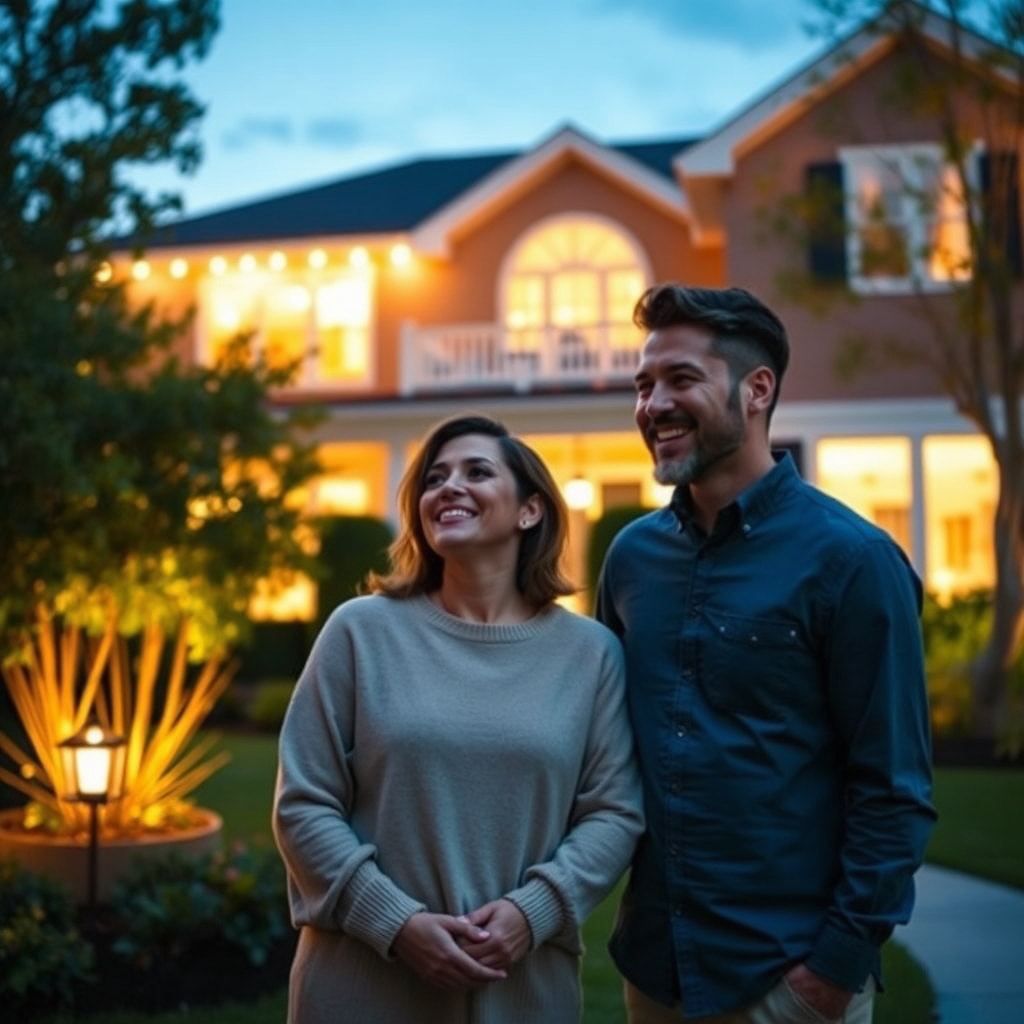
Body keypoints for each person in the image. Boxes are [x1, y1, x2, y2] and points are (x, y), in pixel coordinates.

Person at [596, 284, 937, 1023]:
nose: (653, 405)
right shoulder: (631, 560)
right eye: (644, 385)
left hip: (784, 982)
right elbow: (604, 752)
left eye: (681, 379)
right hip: (652, 971)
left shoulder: (853, 561)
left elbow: (894, 788)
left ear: (757, 390)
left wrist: (830, 975)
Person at [273, 413, 644, 1024]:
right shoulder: (360, 632)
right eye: (434, 478)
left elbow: (615, 812)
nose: (448, 487)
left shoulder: (591, 654)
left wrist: (533, 913)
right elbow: (303, 804)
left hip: (521, 985)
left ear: (530, 510)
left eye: (477, 472)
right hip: (364, 982)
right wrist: (395, 923)